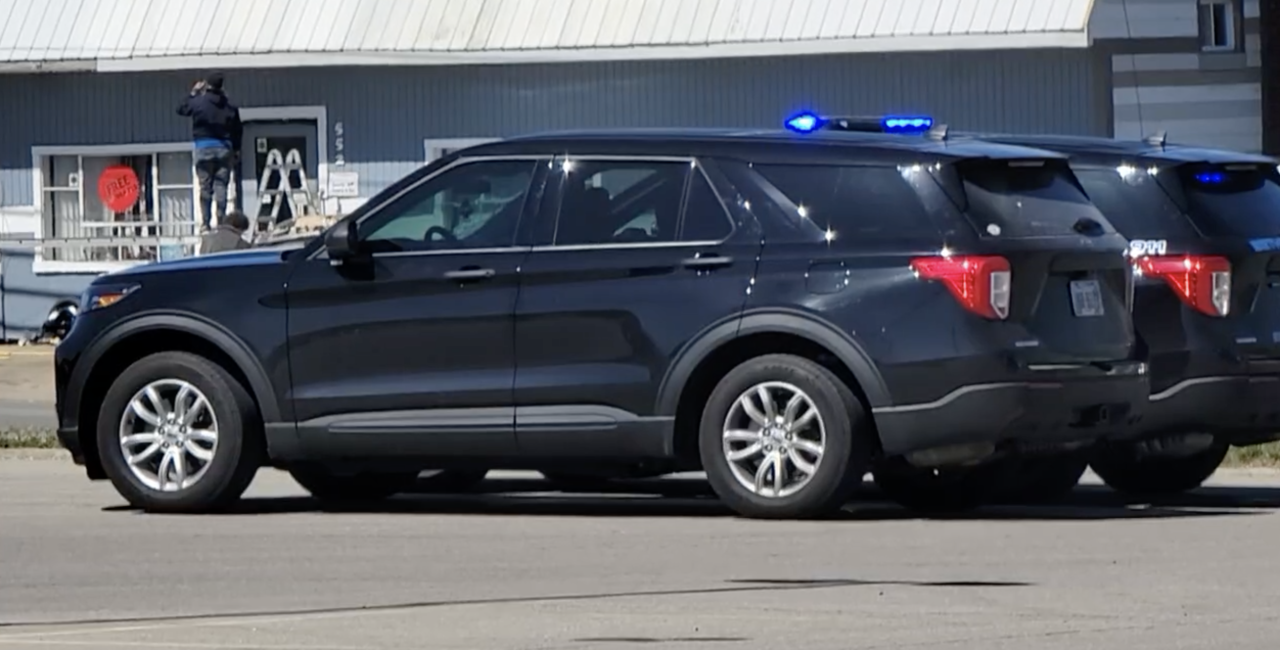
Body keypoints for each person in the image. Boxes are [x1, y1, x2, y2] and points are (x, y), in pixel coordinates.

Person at [177, 72, 243, 233]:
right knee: (221, 186)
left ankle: (205, 224)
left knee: (205, 187)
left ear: (208, 85)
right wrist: (236, 150)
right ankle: (220, 222)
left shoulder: (199, 102)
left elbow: (181, 109)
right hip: (224, 148)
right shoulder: (229, 106)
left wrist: (193, 93)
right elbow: (238, 130)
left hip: (204, 147)